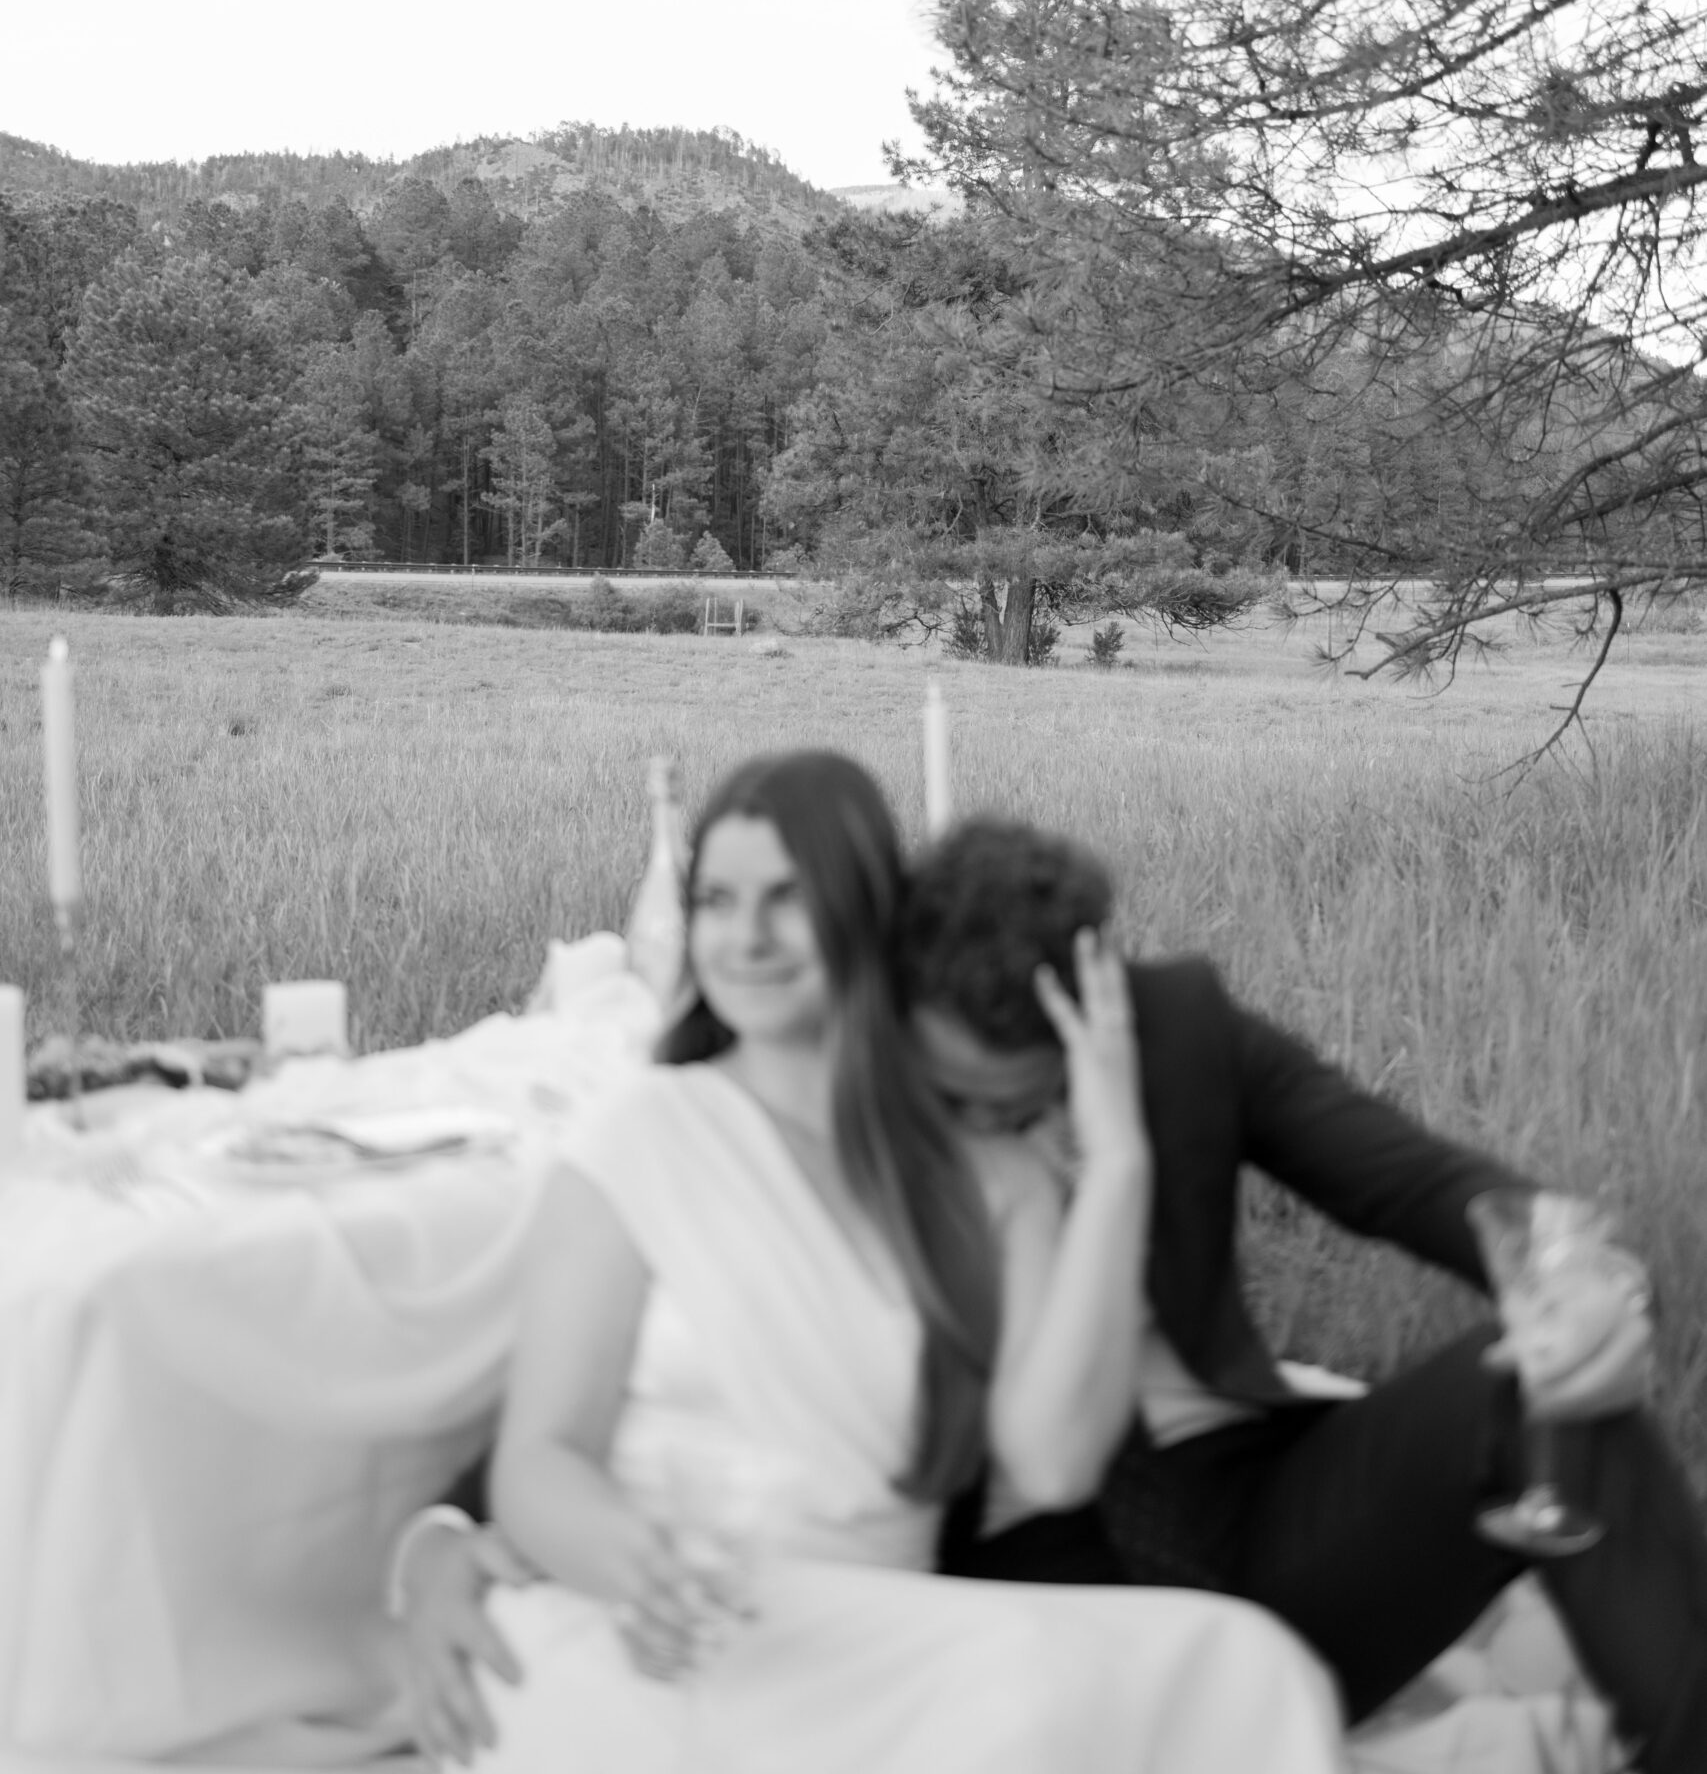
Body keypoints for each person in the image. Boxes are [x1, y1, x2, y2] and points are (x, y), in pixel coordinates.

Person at [440, 752, 1346, 1774]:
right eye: (718, 900)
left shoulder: (986, 1173)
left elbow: (1051, 1459)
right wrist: (626, 1566)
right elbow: (539, 1457)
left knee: (1244, 1664)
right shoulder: (641, 1132)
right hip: (656, 1623)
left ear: (865, 911)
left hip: (875, 1631)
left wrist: (1118, 1164)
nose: (746, 937)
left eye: (788, 899)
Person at [905, 818, 1707, 1774]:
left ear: (1098, 1006)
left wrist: (1592, 1282)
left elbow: (1414, 1182)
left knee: (1540, 1396)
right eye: (957, 1096)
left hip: (1251, 1530)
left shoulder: (1177, 1030)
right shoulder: (862, 1094)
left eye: (1026, 1101)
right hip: (1040, 1596)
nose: (987, 1126)